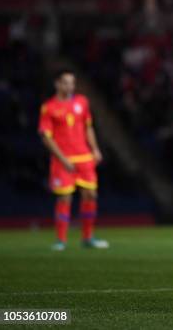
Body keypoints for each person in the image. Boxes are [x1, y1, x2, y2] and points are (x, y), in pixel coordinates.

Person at [38, 69, 109, 251]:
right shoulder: (49, 107)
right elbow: (46, 137)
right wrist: (62, 159)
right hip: (63, 160)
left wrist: (95, 149)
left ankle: (88, 237)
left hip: (84, 157)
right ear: (57, 84)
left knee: (91, 195)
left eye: (72, 82)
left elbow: (88, 128)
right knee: (65, 198)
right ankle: (61, 240)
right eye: (66, 82)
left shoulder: (82, 102)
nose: (70, 86)